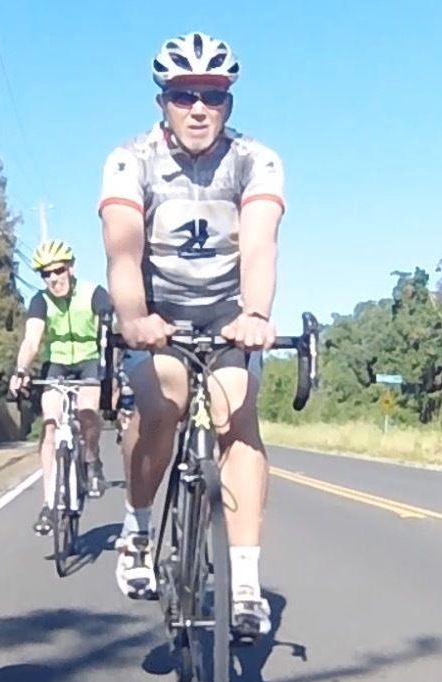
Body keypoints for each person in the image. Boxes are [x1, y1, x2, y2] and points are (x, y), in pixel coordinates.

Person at [98, 32, 284, 634]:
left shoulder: (255, 159)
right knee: (165, 401)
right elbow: (123, 252)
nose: (199, 108)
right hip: (157, 315)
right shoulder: (130, 160)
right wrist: (134, 318)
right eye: (184, 96)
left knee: (235, 410)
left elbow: (260, 246)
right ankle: (137, 529)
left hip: (227, 314)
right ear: (163, 102)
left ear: (229, 103)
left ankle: (245, 582)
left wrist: (255, 315)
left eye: (213, 96)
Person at [9, 239, 106, 535]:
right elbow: (32, 340)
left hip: (89, 360)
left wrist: (111, 369)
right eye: (46, 274)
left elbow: (106, 333)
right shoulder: (40, 300)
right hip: (58, 364)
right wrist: (21, 370)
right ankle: (49, 504)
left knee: (87, 411)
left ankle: (92, 459)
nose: (53, 278)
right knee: (50, 424)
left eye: (58, 271)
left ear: (70, 268)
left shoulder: (93, 293)